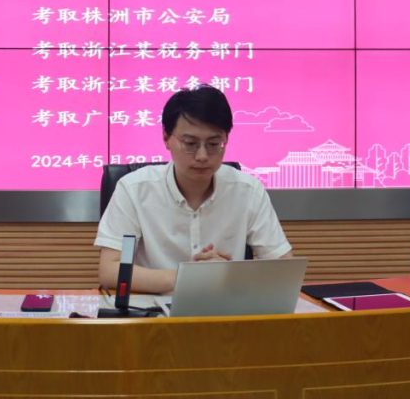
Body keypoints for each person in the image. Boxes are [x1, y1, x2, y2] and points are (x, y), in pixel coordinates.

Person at [95, 85, 292, 294]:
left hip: (225, 307)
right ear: (166, 138)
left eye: (214, 144)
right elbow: (110, 269)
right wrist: (186, 277)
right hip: (154, 309)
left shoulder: (248, 191)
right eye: (190, 143)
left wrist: (230, 275)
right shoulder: (134, 189)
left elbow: (284, 268)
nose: (202, 156)